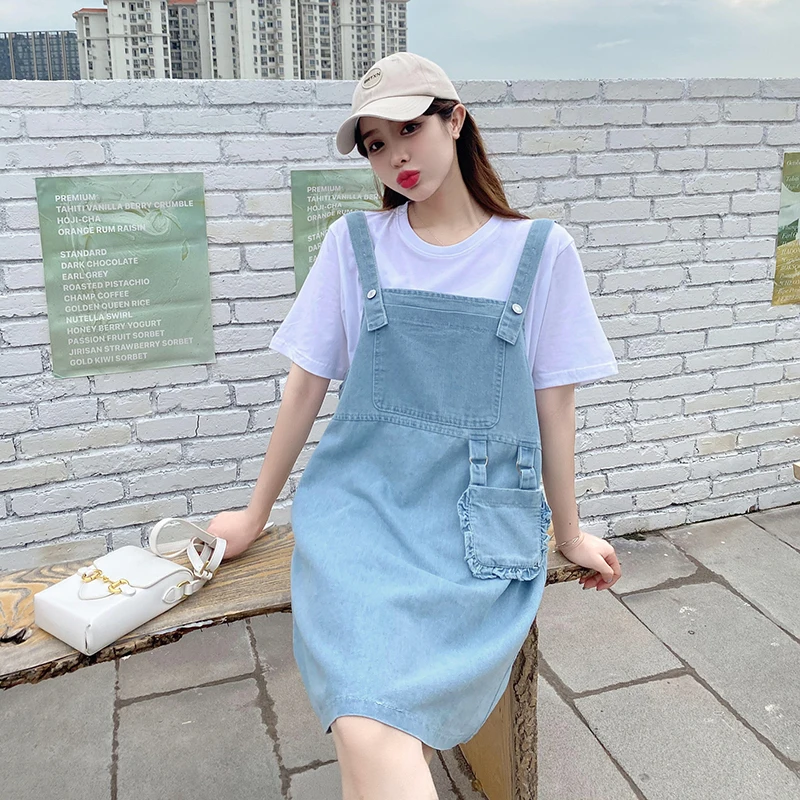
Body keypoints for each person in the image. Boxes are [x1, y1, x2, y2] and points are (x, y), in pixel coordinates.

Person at [207, 51, 622, 800]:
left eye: (409, 129)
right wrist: (255, 514)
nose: (395, 156)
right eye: (375, 143)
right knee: (367, 721)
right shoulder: (354, 244)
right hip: (363, 509)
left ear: (455, 121)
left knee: (367, 732)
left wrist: (568, 533)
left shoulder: (540, 252)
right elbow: (304, 389)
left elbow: (555, 410)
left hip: (475, 525)